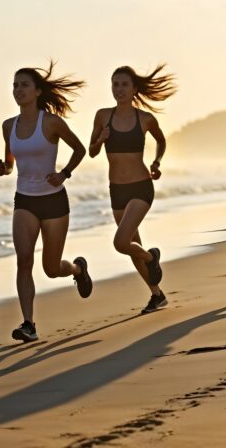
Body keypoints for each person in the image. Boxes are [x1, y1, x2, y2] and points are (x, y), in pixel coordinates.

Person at [0, 62, 92, 342]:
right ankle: (28, 323)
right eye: (15, 85)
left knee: (51, 268)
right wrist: (4, 169)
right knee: (24, 260)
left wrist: (64, 174)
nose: (18, 89)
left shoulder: (51, 122)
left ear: (37, 91)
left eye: (24, 85)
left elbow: (79, 149)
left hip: (54, 202)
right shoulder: (8, 126)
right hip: (24, 200)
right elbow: (10, 163)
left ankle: (77, 269)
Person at [89, 65, 176, 314]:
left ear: (134, 89)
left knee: (121, 242)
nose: (119, 89)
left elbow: (161, 140)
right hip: (116, 189)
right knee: (132, 245)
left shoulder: (145, 119)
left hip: (140, 187)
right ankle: (157, 294)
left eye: (124, 84)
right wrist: (101, 139)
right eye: (115, 84)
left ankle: (151, 257)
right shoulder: (102, 116)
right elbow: (92, 151)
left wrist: (157, 162)